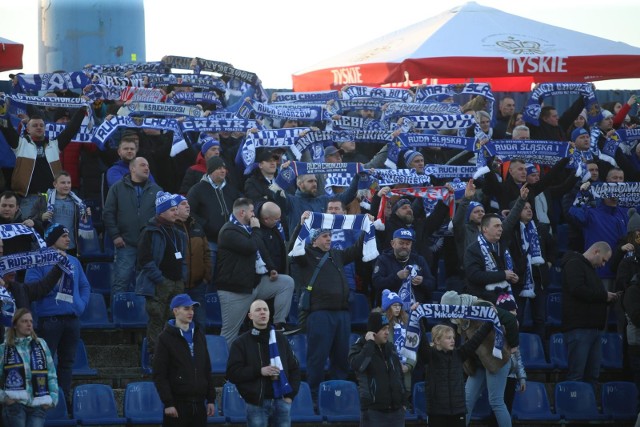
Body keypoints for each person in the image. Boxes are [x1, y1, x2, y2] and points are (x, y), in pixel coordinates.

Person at [289, 211, 364, 400]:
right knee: (318, 358)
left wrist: (367, 230)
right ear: (314, 240)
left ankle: (338, 396)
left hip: (342, 314)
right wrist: (300, 225)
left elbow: (356, 250)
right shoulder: (304, 255)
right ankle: (314, 396)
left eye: (330, 235)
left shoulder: (336, 255)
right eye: (324, 236)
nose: (329, 239)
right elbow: (292, 247)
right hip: (320, 314)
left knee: (341, 358)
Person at [25, 224, 90, 408]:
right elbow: (32, 287)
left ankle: (64, 400)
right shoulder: (38, 260)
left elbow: (85, 286)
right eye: (63, 236)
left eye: (68, 236)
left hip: (72, 320)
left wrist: (81, 304)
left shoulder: (74, 261)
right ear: (52, 239)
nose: (68, 240)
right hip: (49, 320)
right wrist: (55, 284)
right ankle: (43, 399)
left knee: (67, 363)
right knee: (45, 362)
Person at [216, 198, 295, 345]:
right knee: (229, 333)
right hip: (235, 290)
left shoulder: (247, 229)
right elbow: (251, 247)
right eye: (252, 211)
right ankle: (222, 365)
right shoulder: (229, 230)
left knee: (286, 282)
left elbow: (261, 249)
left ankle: (279, 324)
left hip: (254, 284)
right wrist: (257, 229)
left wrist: (271, 268)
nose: (254, 215)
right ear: (242, 212)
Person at [226, 299, 301, 427]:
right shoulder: (240, 343)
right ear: (250, 316)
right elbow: (233, 373)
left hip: (282, 402)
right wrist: (259, 371)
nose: (262, 312)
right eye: (258, 310)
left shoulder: (281, 339)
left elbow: (294, 368)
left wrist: (290, 396)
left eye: (265, 309)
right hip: (256, 404)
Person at [0, 107, 87, 214]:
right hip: (28, 199)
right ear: (28, 129)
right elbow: (6, 128)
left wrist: (82, 109)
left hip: (52, 200)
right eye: (35, 125)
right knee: (30, 230)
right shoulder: (20, 144)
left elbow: (71, 130)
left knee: (52, 231)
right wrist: (2, 109)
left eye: (41, 125)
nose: (39, 127)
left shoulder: (54, 145)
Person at [152, 294, 216, 427]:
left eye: (192, 309)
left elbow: (206, 368)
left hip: (199, 405)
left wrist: (210, 399)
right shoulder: (164, 338)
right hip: (177, 405)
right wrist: (168, 403)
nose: (191, 312)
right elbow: (159, 374)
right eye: (186, 308)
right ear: (175, 311)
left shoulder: (199, 335)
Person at [561, 241, 619, 387]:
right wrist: (603, 296)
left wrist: (607, 298)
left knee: (592, 376)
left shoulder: (591, 270)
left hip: (594, 329)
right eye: (604, 260)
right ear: (596, 252)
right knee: (577, 376)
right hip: (579, 328)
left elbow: (592, 295)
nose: (603, 265)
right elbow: (577, 289)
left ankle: (588, 408)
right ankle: (573, 409)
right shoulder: (574, 264)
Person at [136, 192, 186, 358]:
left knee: (175, 320)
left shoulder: (178, 232)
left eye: (175, 209)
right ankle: (156, 356)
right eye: (172, 210)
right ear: (161, 211)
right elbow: (144, 260)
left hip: (177, 283)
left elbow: (184, 258)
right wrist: (160, 279)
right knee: (157, 319)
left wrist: (182, 278)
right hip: (159, 284)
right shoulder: (150, 231)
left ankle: (173, 354)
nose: (176, 213)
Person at [103, 157, 162, 295]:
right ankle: (118, 315)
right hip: (126, 243)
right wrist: (115, 236)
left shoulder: (157, 189)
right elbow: (108, 213)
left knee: (145, 284)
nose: (147, 168)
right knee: (121, 282)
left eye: (148, 165)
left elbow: (162, 215)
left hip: (149, 244)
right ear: (132, 168)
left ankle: (142, 316)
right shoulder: (117, 187)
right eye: (142, 165)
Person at [418, 322, 492, 427]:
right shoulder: (430, 356)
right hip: (437, 412)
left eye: (453, 337)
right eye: (448, 338)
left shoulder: (459, 354)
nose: (453, 340)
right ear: (437, 340)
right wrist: (418, 321)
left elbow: (476, 340)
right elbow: (422, 340)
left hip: (458, 411)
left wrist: (488, 323)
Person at [0, 308, 58, 427]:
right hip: (14, 404)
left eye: (31, 321)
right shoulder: (3, 348)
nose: (29, 324)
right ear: (15, 325)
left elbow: (51, 374)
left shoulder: (41, 344)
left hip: (38, 404)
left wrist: (53, 399)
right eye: (24, 321)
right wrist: (5, 398)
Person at [349, 311, 406, 427]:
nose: (387, 332)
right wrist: (370, 343)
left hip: (396, 411)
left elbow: (399, 375)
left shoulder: (390, 348)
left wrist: (403, 401)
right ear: (373, 331)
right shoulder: (359, 347)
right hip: (373, 412)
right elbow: (359, 366)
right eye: (383, 329)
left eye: (388, 328)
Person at [187, 156, 241, 278]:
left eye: (224, 168)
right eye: (218, 168)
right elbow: (189, 212)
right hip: (209, 242)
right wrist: (206, 225)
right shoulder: (197, 190)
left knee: (226, 276)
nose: (223, 171)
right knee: (209, 276)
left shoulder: (231, 189)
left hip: (229, 243)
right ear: (210, 171)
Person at [28, 170, 92, 256]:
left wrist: (86, 214)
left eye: (68, 183)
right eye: (63, 183)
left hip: (71, 246)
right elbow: (30, 218)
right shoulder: (44, 199)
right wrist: (41, 217)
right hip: (50, 247)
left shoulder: (78, 202)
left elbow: (81, 223)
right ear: (55, 184)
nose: (66, 185)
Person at [174, 195, 211, 331]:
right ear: (175, 208)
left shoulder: (197, 226)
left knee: (200, 323)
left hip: (198, 285)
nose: (187, 206)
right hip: (178, 285)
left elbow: (206, 252)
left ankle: (200, 350)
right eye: (183, 204)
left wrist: (206, 277)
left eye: (188, 203)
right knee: (180, 325)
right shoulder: (171, 227)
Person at [372, 228, 434, 306]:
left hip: (416, 309)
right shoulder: (383, 260)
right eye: (401, 243)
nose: (404, 246)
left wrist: (422, 282)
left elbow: (432, 284)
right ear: (393, 244)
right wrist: (396, 277)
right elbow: (376, 283)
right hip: (390, 309)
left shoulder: (419, 260)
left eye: (408, 244)